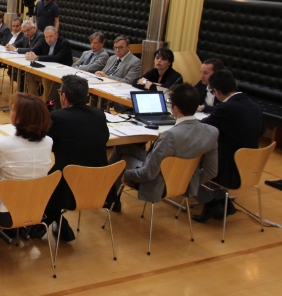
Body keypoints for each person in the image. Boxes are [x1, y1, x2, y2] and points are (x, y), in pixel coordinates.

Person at [0, 93, 52, 250]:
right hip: (36, 207)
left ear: (19, 118)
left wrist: (0, 172)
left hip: (6, 213)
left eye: (12, 110)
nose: (10, 112)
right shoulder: (48, 142)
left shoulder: (4, 145)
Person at [109, 84, 218, 204]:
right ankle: (109, 195)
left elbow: (148, 173)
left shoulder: (170, 136)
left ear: (176, 108)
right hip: (179, 178)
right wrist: (187, 179)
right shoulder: (211, 132)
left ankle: (107, 192)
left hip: (159, 183)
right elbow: (211, 171)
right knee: (122, 147)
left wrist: (126, 174)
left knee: (123, 159)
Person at [193, 70, 265, 222]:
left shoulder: (226, 108)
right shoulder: (255, 107)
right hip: (250, 167)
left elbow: (201, 128)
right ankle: (224, 202)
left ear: (217, 91)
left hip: (230, 169)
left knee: (189, 163)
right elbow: (261, 131)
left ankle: (212, 203)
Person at [45, 76, 110, 234]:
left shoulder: (57, 117)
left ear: (63, 96)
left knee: (41, 183)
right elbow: (105, 138)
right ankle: (57, 224)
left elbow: (45, 144)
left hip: (69, 187)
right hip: (99, 184)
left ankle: (43, 225)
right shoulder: (99, 115)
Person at [26, 26, 73, 100]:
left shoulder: (64, 43)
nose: (48, 39)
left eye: (51, 36)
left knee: (46, 78)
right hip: (48, 70)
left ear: (56, 35)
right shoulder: (44, 41)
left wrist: (37, 58)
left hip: (61, 74)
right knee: (29, 74)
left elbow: (56, 58)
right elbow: (34, 50)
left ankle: (46, 104)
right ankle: (34, 101)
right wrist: (30, 54)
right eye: (46, 37)